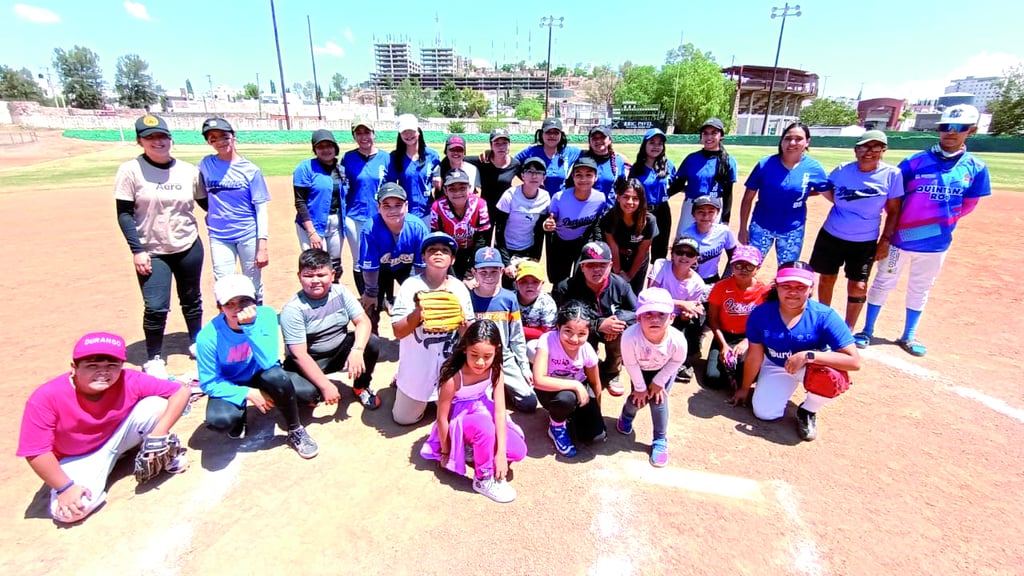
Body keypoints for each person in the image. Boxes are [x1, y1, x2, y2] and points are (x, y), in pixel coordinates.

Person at [857, 105, 991, 357]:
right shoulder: (914, 161)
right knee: (883, 282)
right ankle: (866, 329)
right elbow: (893, 198)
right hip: (899, 239)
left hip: (937, 242)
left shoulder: (976, 167)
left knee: (921, 287)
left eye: (959, 128)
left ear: (971, 131)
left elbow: (969, 204)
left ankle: (908, 334)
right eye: (944, 127)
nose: (950, 133)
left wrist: (937, 224)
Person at [17, 332, 190, 524]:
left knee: (157, 404)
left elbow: (181, 391)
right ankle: (113, 464)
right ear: (74, 368)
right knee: (69, 512)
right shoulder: (46, 397)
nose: (103, 372)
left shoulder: (128, 379)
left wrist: (159, 433)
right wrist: (64, 488)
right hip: (78, 457)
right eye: (92, 366)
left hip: (117, 436)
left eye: (111, 366)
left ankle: (148, 448)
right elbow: (36, 451)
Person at [115, 114, 204, 378]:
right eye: (150, 137)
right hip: (152, 249)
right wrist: (137, 249)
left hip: (187, 243)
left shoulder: (189, 171)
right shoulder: (130, 170)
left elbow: (206, 203)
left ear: (170, 139)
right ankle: (154, 355)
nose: (158, 142)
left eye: (162, 136)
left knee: (191, 298)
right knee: (155, 305)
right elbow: (124, 213)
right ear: (140, 141)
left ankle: (196, 340)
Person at [729, 262, 861, 441]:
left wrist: (809, 356)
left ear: (811, 288)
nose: (793, 292)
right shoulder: (761, 313)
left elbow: (854, 362)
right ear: (777, 286)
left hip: (811, 366)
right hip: (776, 364)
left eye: (800, 287)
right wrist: (745, 388)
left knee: (831, 377)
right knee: (765, 413)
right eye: (786, 286)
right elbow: (755, 355)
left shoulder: (824, 315)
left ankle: (808, 410)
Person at [196, 274, 320, 459]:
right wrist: (247, 393)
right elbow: (209, 383)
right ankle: (239, 416)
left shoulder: (267, 315)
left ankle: (295, 430)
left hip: (262, 373)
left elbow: (269, 362)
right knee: (221, 421)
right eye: (230, 303)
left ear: (255, 300)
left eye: (244, 301)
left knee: (307, 393)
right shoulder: (207, 337)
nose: (238, 308)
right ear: (219, 308)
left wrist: (249, 327)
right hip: (231, 382)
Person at [419, 319, 527, 503]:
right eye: (474, 354)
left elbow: (500, 411)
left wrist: (500, 454)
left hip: (482, 409)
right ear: (465, 349)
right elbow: (442, 417)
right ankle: (483, 478)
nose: (480, 361)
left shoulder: (496, 370)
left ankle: (472, 449)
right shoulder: (454, 377)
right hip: (460, 419)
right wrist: (447, 452)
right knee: (484, 426)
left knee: (518, 451)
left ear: (496, 351)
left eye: (487, 356)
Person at [809, 130, 903, 329]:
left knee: (858, 286)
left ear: (884, 149)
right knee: (827, 279)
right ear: (855, 150)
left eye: (875, 147)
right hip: (832, 234)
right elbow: (825, 188)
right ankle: (823, 323)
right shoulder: (843, 170)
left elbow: (894, 210)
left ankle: (848, 330)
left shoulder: (892, 175)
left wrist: (885, 240)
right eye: (864, 147)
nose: (869, 151)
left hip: (865, 240)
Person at [280, 249, 382, 411]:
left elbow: (363, 321)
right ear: (299, 276)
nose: (315, 281)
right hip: (309, 360)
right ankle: (315, 391)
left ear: (333, 275)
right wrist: (326, 386)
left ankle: (361, 386)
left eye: (321, 275)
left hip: (338, 352)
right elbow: (300, 355)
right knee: (307, 394)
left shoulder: (340, 292)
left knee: (371, 341)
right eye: (308, 276)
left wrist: (357, 350)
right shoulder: (293, 310)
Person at [391, 232, 475, 425]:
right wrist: (420, 312)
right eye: (432, 250)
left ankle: (440, 397)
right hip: (417, 369)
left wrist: (462, 321)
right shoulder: (410, 285)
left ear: (452, 259)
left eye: (445, 250)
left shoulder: (460, 288)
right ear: (423, 257)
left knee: (456, 418)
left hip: (449, 367)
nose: (438, 253)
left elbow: (468, 335)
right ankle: (402, 382)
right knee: (403, 419)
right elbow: (398, 331)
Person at [197, 117, 272, 304]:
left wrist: (262, 246)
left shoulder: (250, 169)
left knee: (252, 283)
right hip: (219, 235)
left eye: (224, 136)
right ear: (208, 142)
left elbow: (261, 209)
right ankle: (230, 326)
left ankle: (257, 320)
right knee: (223, 283)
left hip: (248, 233)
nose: (219, 142)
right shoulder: (206, 165)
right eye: (213, 138)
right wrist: (212, 213)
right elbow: (200, 194)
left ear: (233, 136)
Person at [552, 241, 637, 396]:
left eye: (602, 265)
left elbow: (637, 312)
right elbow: (559, 319)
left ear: (610, 265)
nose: (597, 269)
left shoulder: (620, 285)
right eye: (590, 265)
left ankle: (612, 371)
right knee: (572, 333)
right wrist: (597, 324)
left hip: (611, 331)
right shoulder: (565, 288)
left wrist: (616, 322)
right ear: (582, 267)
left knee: (622, 331)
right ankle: (580, 368)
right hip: (582, 332)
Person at [738, 122, 829, 263]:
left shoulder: (813, 168)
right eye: (787, 138)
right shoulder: (765, 164)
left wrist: (801, 193)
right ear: (782, 141)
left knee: (787, 271)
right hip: (761, 224)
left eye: (798, 139)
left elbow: (825, 190)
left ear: (807, 142)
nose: (792, 142)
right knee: (750, 265)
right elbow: (747, 198)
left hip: (792, 228)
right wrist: (743, 228)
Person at [616, 288, 687, 467]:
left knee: (658, 400)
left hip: (664, 370)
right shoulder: (629, 337)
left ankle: (660, 440)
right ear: (638, 318)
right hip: (640, 370)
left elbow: (677, 361)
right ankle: (627, 415)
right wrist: (640, 388)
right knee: (638, 400)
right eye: (648, 314)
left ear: (672, 317)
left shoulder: (678, 340)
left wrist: (659, 382)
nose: (655, 319)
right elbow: (630, 364)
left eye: (661, 314)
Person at [533, 301, 606, 458]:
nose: (574, 339)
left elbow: (595, 382)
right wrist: (575, 385)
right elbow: (538, 380)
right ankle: (556, 426)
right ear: (558, 327)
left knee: (596, 436)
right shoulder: (547, 340)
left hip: (577, 388)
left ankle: (569, 417)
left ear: (588, 333)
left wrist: (596, 411)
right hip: (550, 391)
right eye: (568, 331)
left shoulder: (587, 351)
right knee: (566, 398)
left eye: (581, 334)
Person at [469, 247, 537, 413]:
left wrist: (523, 367)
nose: (489, 276)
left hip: (503, 357)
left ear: (501, 271)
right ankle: (492, 389)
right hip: (476, 358)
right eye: (483, 271)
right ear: (474, 272)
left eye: (494, 271)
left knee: (529, 402)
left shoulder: (509, 298)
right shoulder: (467, 297)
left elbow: (516, 336)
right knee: (481, 407)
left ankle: (504, 386)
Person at [359, 182, 429, 333]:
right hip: (380, 271)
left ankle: (415, 335)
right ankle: (372, 339)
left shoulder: (417, 227)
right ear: (378, 207)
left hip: (406, 267)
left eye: (398, 205)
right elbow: (370, 268)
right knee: (371, 304)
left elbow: (421, 266)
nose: (393, 210)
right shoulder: (370, 229)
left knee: (419, 300)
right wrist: (371, 293)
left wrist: (418, 291)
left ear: (407, 206)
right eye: (386, 205)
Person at [705, 245, 770, 389]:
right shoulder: (721, 287)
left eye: (749, 266)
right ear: (732, 266)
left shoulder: (764, 292)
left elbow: (765, 323)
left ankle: (739, 375)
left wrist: (747, 341)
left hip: (750, 336)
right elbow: (713, 320)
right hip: (724, 335)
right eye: (738, 265)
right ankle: (731, 374)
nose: (743, 270)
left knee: (748, 371)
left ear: (757, 268)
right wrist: (723, 345)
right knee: (712, 378)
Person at [341, 118, 391, 295]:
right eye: (358, 133)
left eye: (367, 132)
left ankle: (386, 297)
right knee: (359, 259)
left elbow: (391, 186)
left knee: (384, 257)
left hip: (380, 216)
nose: (363, 137)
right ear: (354, 136)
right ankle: (365, 296)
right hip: (354, 216)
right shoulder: (348, 158)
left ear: (374, 134)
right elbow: (343, 186)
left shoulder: (386, 158)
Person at [647, 237, 707, 383]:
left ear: (696, 259)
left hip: (677, 318)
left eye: (690, 254)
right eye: (680, 252)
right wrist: (682, 304)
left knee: (694, 324)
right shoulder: (660, 265)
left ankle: (684, 360)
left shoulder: (698, 283)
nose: (684, 257)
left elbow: (689, 310)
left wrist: (687, 313)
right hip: (654, 312)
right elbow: (649, 295)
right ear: (672, 254)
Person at [542, 156, 607, 286]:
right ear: (573, 177)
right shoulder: (560, 197)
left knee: (582, 278)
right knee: (559, 280)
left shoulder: (600, 198)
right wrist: (547, 225)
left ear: (596, 177)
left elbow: (596, 223)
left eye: (589, 175)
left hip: (582, 242)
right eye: (579, 175)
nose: (583, 179)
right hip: (561, 242)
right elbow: (550, 220)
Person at [293, 129, 345, 280]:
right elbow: (300, 202)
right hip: (312, 224)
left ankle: (333, 298)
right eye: (320, 146)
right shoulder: (304, 168)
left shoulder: (341, 169)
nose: (326, 150)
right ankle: (316, 298)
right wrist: (311, 232)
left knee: (335, 265)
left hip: (336, 223)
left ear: (335, 148)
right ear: (314, 149)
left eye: (329, 146)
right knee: (315, 265)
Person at [492, 156, 551, 288]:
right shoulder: (509, 195)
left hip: (528, 249)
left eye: (539, 173)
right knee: (510, 285)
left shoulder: (545, 197)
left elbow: (539, 231)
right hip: (508, 248)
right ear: (522, 175)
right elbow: (499, 230)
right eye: (529, 172)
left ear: (544, 178)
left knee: (528, 285)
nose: (534, 176)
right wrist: (507, 262)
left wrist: (536, 256)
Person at [671, 118, 738, 233]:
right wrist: (659, 197)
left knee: (709, 246)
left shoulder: (728, 161)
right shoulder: (691, 158)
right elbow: (678, 185)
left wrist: (725, 220)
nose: (709, 137)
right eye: (705, 133)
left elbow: (727, 193)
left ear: (721, 136)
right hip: (691, 206)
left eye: (714, 133)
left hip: (714, 208)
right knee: (685, 243)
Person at [429, 169, 491, 280]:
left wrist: (471, 266)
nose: (458, 193)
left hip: (472, 249)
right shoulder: (437, 207)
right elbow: (438, 239)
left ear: (470, 188)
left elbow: (482, 239)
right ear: (445, 190)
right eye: (452, 189)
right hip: (448, 249)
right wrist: (449, 269)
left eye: (462, 188)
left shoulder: (480, 204)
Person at [601, 178, 658, 295]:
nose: (630, 202)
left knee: (634, 294)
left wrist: (630, 276)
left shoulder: (649, 220)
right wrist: (618, 272)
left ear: (641, 201)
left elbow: (643, 250)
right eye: (626, 197)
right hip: (617, 258)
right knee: (614, 292)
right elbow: (613, 246)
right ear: (618, 197)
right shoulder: (609, 218)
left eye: (635, 198)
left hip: (638, 260)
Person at [627, 128, 676, 262]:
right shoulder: (637, 168)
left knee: (660, 248)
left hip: (662, 210)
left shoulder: (668, 165)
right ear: (645, 145)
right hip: (642, 211)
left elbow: (677, 184)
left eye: (660, 143)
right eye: (652, 142)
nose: (656, 146)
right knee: (638, 246)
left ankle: (657, 280)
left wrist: (666, 195)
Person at [388, 114, 441, 222]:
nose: (408, 135)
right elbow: (391, 184)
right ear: (400, 134)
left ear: (418, 131)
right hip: (404, 214)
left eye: (411, 130)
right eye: (404, 132)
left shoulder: (432, 155)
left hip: (428, 212)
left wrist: (438, 177)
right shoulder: (395, 157)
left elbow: (439, 174)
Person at [466, 127, 521, 227]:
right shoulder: (483, 161)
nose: (501, 147)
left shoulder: (515, 165)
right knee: (483, 240)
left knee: (502, 241)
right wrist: (438, 173)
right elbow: (457, 159)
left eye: (504, 143)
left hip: (505, 209)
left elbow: (528, 178)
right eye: (497, 143)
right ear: (491, 146)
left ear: (509, 145)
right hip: (485, 209)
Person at [514, 117, 583, 195]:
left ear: (561, 135)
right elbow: (513, 164)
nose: (552, 136)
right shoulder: (532, 151)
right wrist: (527, 179)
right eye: (548, 132)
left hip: (559, 201)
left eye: (556, 133)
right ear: (542, 134)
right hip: (537, 201)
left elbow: (589, 155)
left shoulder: (568, 152)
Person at [678, 196, 737, 285]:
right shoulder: (686, 235)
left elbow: (734, 257)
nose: (706, 216)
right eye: (701, 212)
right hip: (689, 281)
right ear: (693, 214)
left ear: (717, 213)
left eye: (711, 212)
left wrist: (725, 280)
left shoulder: (724, 232)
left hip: (712, 280)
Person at [515, 260, 557, 361]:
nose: (529, 285)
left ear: (542, 283)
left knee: (532, 349)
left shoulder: (547, 303)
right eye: (524, 281)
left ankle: (539, 371)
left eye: (535, 282)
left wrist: (516, 329)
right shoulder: (509, 299)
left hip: (537, 341)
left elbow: (547, 333)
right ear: (516, 284)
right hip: (513, 338)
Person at [577, 124, 629, 205]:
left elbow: (621, 188)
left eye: (602, 137)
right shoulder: (581, 159)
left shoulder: (618, 161)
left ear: (610, 140)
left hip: (610, 212)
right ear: (589, 141)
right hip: (585, 211)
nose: (598, 141)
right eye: (594, 138)